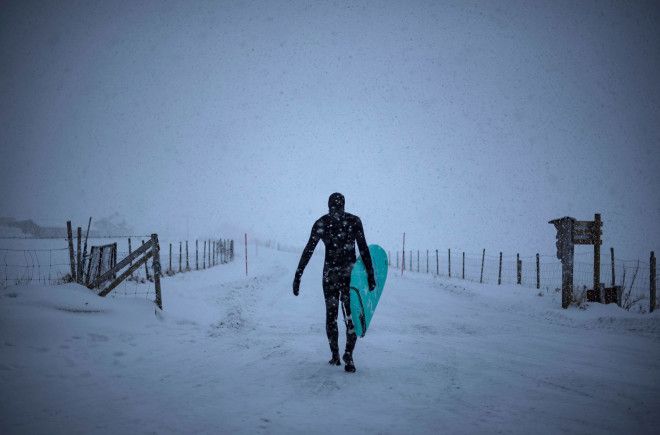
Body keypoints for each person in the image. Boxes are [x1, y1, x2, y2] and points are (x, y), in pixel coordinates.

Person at [293, 192, 376, 373]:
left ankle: (337, 355)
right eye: (335, 207)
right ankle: (347, 354)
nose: (336, 211)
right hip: (348, 277)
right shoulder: (353, 221)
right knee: (350, 316)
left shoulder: (322, 223)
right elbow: (363, 250)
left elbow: (308, 250)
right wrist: (370, 275)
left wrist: (298, 275)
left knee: (332, 317)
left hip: (332, 276)